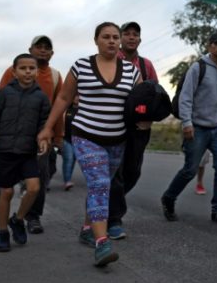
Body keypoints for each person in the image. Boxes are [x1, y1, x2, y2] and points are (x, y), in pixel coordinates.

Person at [38, 22, 142, 267]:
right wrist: (48, 128)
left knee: (100, 188)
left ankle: (87, 228)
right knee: (100, 183)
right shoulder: (81, 66)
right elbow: (64, 98)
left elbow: (139, 102)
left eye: (115, 37)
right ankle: (102, 242)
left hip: (118, 140)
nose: (112, 41)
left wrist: (146, 116)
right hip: (87, 136)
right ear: (96, 40)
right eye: (106, 37)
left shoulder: (131, 70)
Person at [0, 54, 51, 252]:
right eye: (23, 68)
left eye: (31, 68)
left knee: (33, 188)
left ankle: (17, 219)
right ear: (14, 71)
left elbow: (44, 124)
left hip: (27, 152)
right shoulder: (5, 93)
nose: (27, 71)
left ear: (36, 71)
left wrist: (43, 139)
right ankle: (2, 232)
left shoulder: (41, 97)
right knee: (6, 192)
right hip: (6, 151)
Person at [161, 31, 217, 224]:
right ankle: (169, 198)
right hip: (197, 128)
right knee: (190, 169)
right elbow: (186, 97)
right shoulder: (198, 68)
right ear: (209, 46)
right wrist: (186, 122)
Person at [0, 35, 64, 234]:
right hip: (12, 135)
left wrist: (58, 136)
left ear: (52, 53)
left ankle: (33, 216)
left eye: (46, 48)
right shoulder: (12, 71)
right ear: (30, 50)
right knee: (7, 177)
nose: (42, 50)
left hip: (41, 137)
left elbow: (60, 107)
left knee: (39, 178)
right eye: (38, 47)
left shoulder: (56, 75)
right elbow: (0, 104)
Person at [107, 21, 159, 239]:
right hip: (113, 124)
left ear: (139, 39)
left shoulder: (146, 66)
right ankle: (114, 219)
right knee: (116, 173)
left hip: (139, 127)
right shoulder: (109, 61)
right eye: (126, 34)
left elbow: (156, 95)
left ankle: (110, 202)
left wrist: (150, 119)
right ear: (120, 38)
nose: (130, 37)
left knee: (133, 172)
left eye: (134, 34)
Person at [61, 97, 78, 191]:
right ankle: (67, 181)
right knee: (69, 158)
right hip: (66, 139)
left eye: (79, 96)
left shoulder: (83, 111)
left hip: (78, 140)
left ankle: (68, 179)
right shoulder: (67, 109)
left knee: (73, 160)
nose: (76, 98)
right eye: (75, 96)